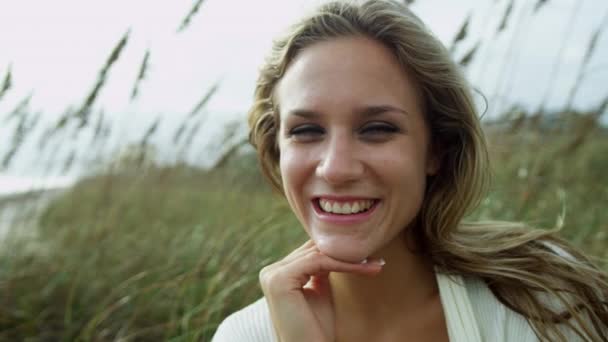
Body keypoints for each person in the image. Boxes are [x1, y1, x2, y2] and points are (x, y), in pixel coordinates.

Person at [212, 0, 608, 341]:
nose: (336, 168)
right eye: (306, 131)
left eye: (378, 129)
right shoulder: (243, 335)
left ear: (436, 149)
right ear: (276, 149)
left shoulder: (543, 306)